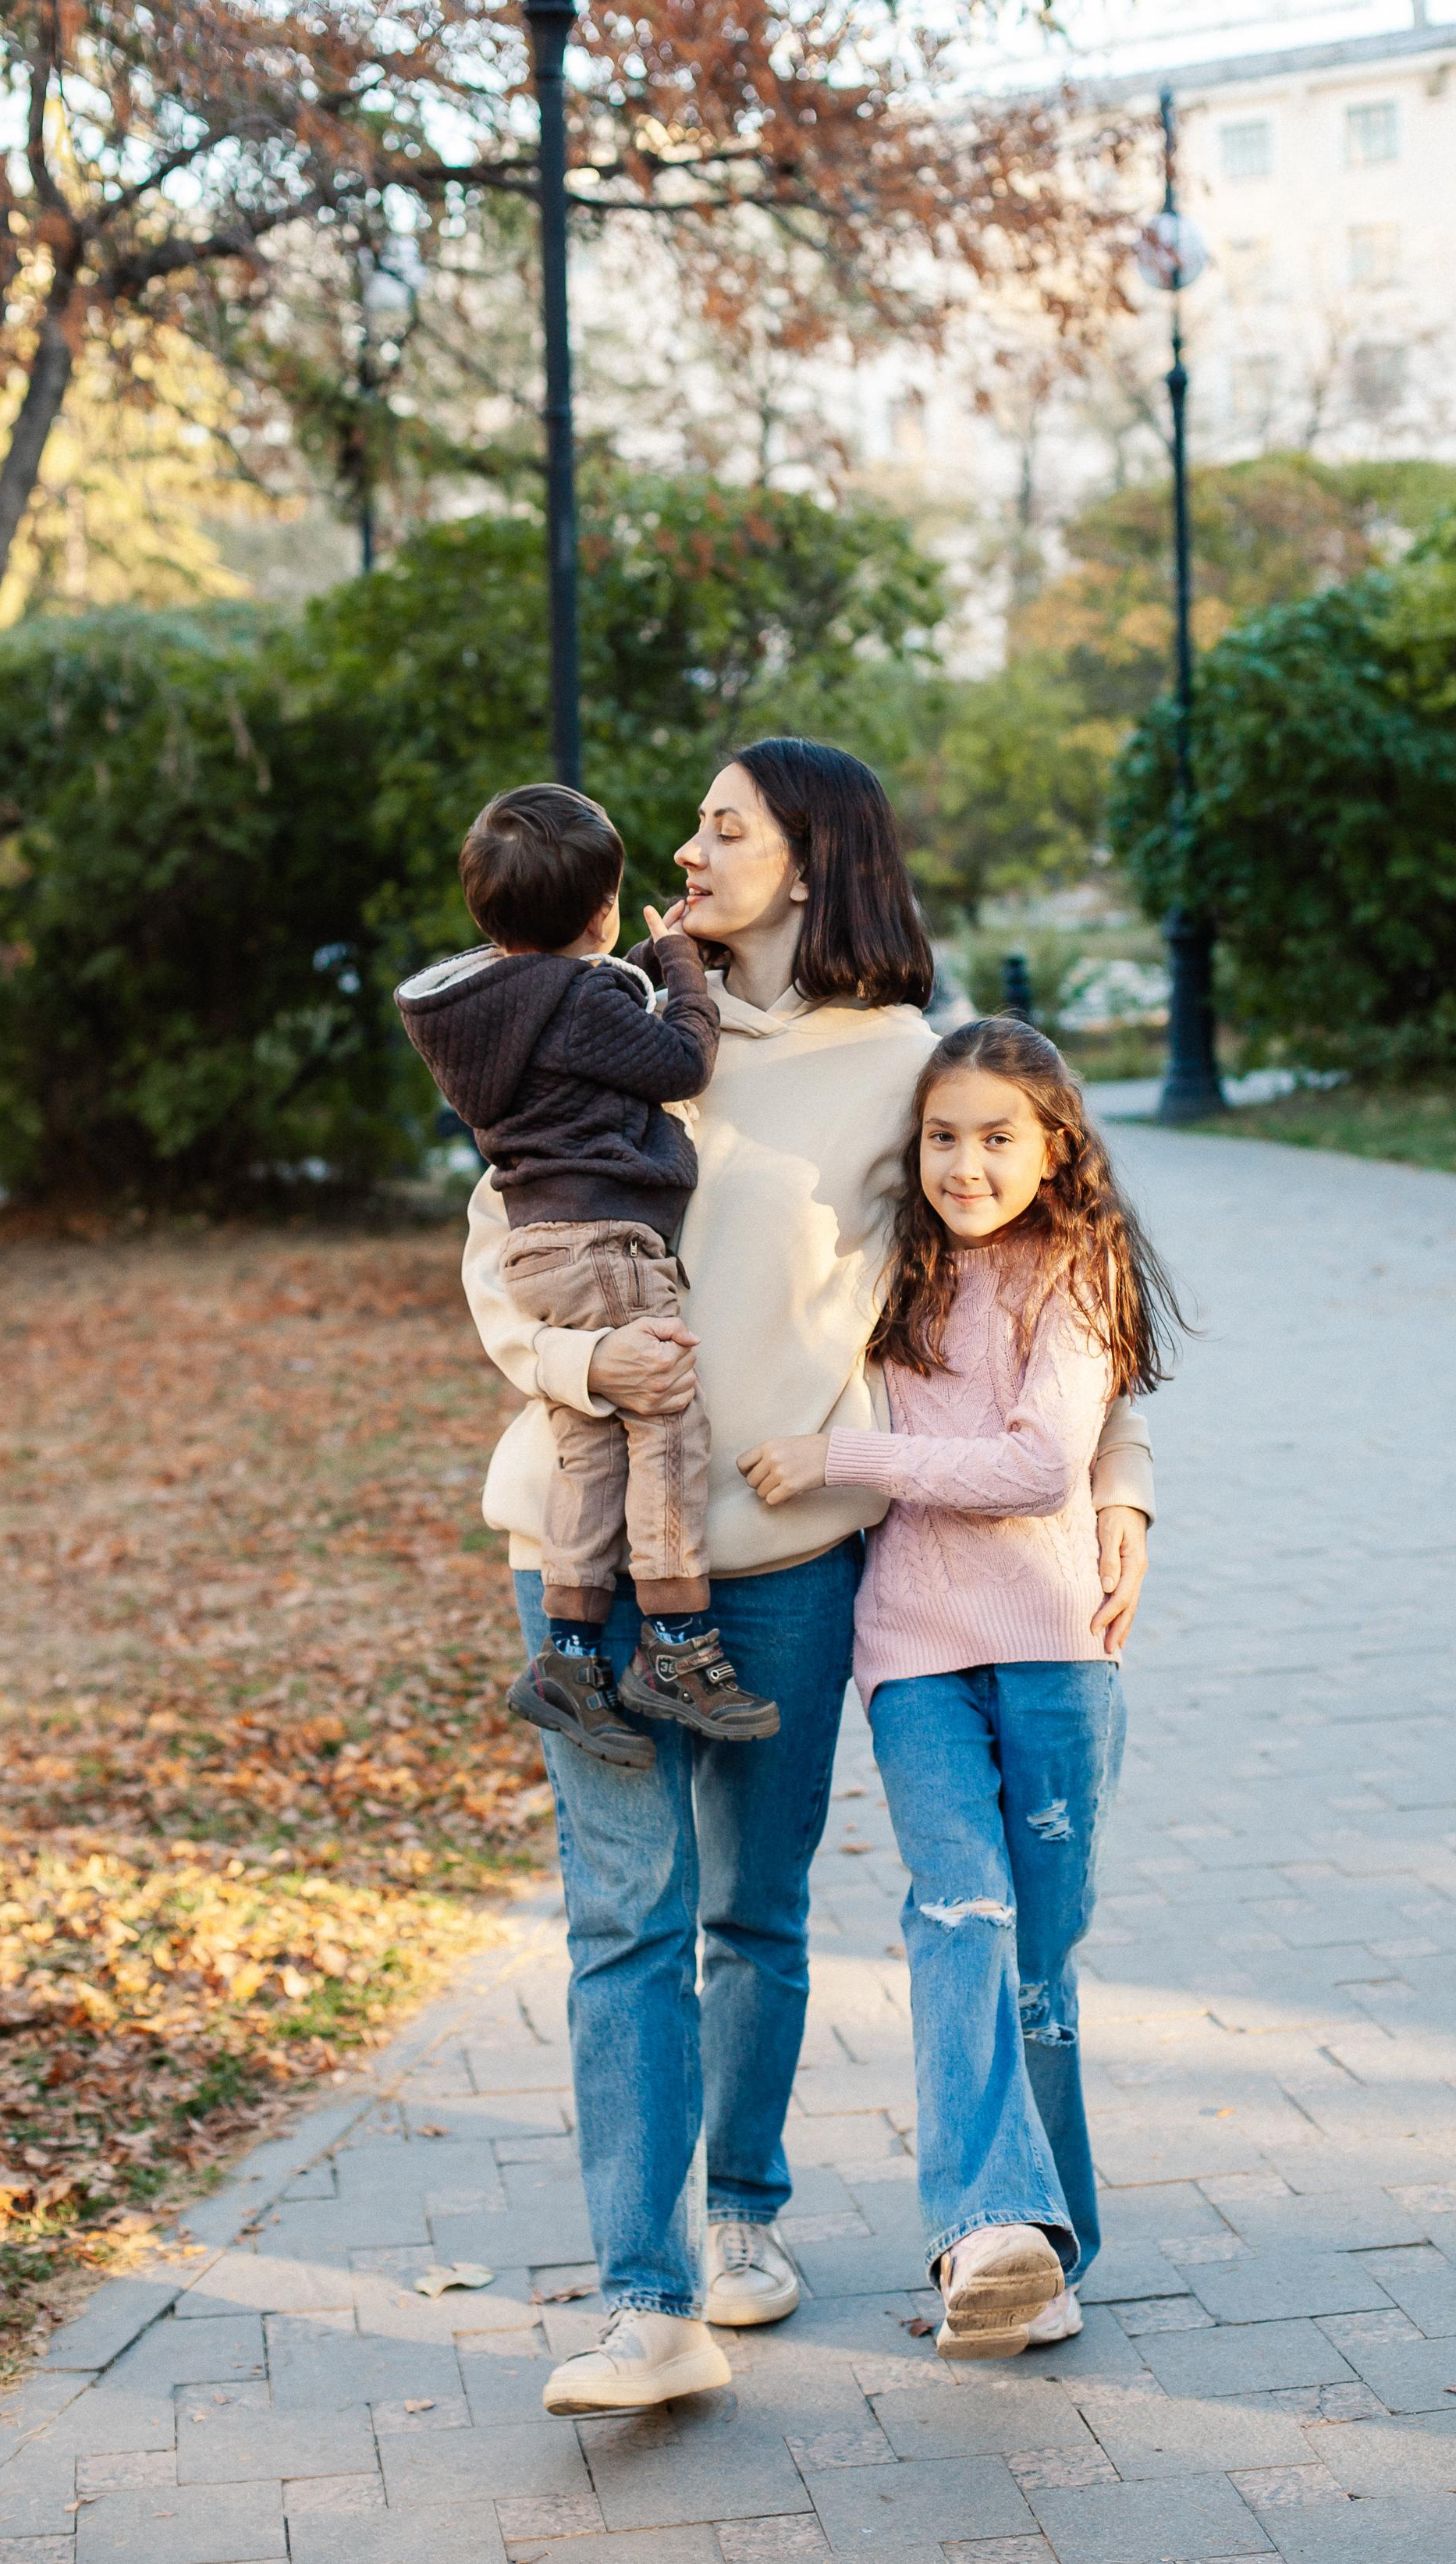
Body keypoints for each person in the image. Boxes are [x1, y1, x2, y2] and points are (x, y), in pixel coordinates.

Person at [459, 740, 1155, 2412]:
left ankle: (740, 2216)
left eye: (724, 826)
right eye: (693, 827)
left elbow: (1039, 1263)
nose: (686, 851)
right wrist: (569, 1366)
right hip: (579, 1547)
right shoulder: (602, 1008)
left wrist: (1121, 1476)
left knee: (748, 1912)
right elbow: (498, 1237)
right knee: (620, 1916)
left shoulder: (901, 1063)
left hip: (776, 1567)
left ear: (811, 860)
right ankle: (645, 2304)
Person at [740, 1017, 1181, 2358]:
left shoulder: (1077, 1271)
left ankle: (1049, 2252)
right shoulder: (890, 1265)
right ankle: (981, 2234)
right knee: (959, 1912)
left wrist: (843, 1458)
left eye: (997, 1138)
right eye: (942, 1137)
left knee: (1036, 1960)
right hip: (913, 1652)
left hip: (1056, 1648)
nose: (965, 1165)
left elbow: (1040, 1465)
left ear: (1055, 1149)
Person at [397, 783, 776, 1755]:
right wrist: (682, 966)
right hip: (608, 1240)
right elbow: (679, 1058)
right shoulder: (580, 1004)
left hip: (541, 1248)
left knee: (593, 1447)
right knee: (668, 1423)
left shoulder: (489, 1006)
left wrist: (639, 965)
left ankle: (567, 1656)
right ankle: (675, 1643)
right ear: (603, 910)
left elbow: (589, 1010)